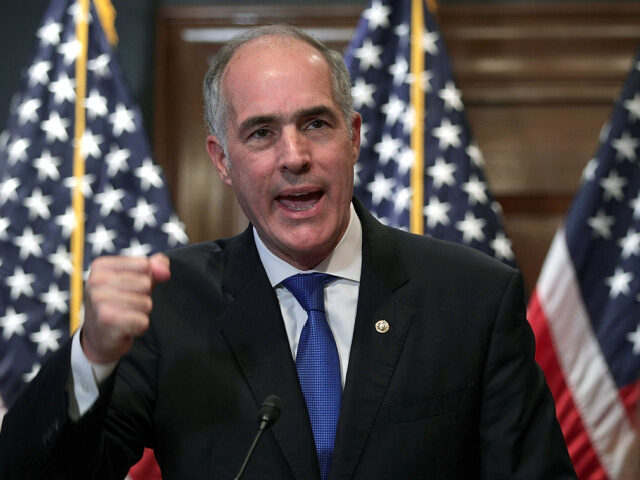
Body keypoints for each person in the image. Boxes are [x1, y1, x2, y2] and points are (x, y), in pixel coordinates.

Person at [0, 24, 575, 479]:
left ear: (353, 138)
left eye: (316, 124)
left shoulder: (471, 297)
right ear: (222, 161)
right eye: (260, 133)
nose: (294, 156)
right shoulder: (170, 305)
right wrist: (92, 356)